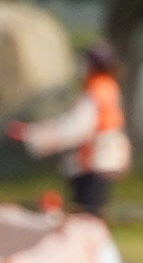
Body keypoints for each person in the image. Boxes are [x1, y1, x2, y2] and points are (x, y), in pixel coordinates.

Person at [9, 43, 128, 217]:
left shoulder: (95, 92)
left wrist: (33, 135)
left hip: (90, 162)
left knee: (85, 217)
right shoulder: (109, 88)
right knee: (92, 214)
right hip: (103, 160)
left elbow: (74, 129)